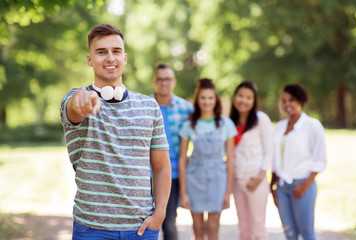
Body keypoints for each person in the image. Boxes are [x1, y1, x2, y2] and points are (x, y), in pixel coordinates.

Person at [60, 23, 171, 240]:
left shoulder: (150, 106)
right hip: (91, 229)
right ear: (90, 59)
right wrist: (81, 100)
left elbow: (161, 166)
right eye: (101, 52)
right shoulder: (77, 99)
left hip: (142, 229)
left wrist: (160, 213)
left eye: (116, 51)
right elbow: (73, 107)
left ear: (125, 58)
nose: (110, 58)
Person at [178, 78, 236, 240]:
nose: (207, 101)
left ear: (215, 100)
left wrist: (228, 192)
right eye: (203, 98)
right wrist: (183, 193)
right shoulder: (188, 125)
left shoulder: (226, 124)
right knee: (198, 229)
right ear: (198, 100)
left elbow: (230, 159)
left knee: (213, 227)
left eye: (210, 98)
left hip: (217, 181)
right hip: (194, 180)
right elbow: (183, 159)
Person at [270, 84, 327, 240]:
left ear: (301, 101)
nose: (287, 104)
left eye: (292, 100)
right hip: (282, 188)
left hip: (302, 185)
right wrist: (272, 186)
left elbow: (320, 159)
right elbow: (275, 158)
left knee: (307, 233)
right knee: (290, 234)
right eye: (284, 101)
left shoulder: (312, 126)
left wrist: (305, 185)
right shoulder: (279, 127)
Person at [152, 62, 193, 240]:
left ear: (173, 82)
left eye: (167, 79)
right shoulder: (145, 106)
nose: (164, 83)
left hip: (173, 175)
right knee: (143, 222)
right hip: (146, 174)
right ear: (155, 82)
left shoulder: (186, 109)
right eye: (160, 80)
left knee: (169, 223)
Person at [230, 81, 272, 240]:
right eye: (240, 95)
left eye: (248, 97)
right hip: (237, 180)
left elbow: (269, 152)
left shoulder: (261, 119)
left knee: (258, 227)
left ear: (254, 101)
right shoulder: (231, 121)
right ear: (235, 97)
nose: (243, 100)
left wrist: (260, 176)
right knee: (243, 228)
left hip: (255, 179)